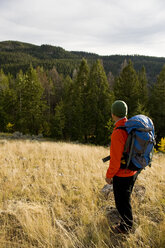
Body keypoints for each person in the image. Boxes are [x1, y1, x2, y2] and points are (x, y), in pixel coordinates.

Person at [106, 100, 138, 234]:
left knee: (121, 203)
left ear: (113, 114)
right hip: (133, 170)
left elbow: (115, 161)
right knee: (126, 199)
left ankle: (126, 227)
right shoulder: (132, 126)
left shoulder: (118, 133)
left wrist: (109, 176)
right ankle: (127, 224)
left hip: (122, 174)